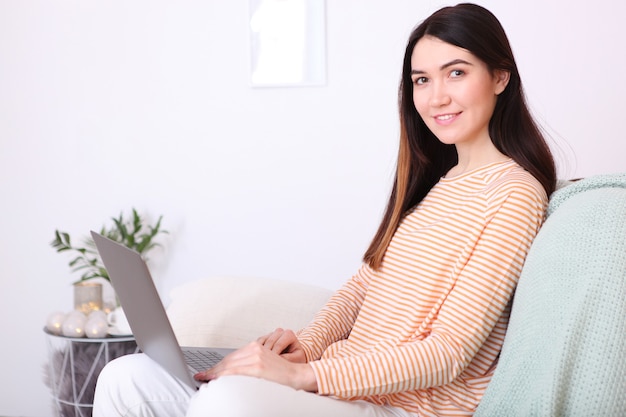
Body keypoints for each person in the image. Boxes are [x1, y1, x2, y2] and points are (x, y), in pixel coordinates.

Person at [93, 3, 556, 416]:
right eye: (421, 79)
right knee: (125, 376)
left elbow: (448, 353)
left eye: (456, 72)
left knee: (226, 400)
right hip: (339, 390)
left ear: (500, 76)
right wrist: (306, 347)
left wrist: (299, 377)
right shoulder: (436, 185)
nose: (435, 97)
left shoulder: (514, 194)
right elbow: (361, 289)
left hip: (401, 407)